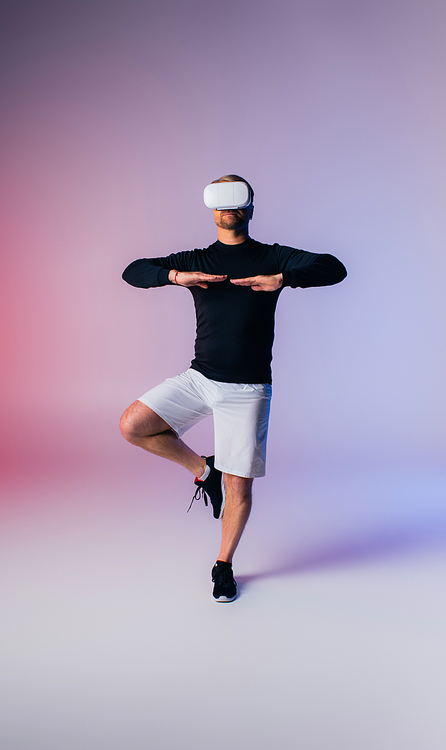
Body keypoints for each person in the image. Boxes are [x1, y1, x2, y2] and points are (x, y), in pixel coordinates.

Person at [120, 175, 347, 602]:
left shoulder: (274, 256)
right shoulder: (198, 259)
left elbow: (334, 267)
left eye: (237, 200)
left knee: (240, 489)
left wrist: (284, 278)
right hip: (200, 377)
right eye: (220, 200)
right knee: (134, 425)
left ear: (250, 207)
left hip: (247, 389)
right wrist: (173, 276)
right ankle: (207, 472)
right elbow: (133, 270)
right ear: (211, 209)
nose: (229, 208)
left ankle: (223, 565)